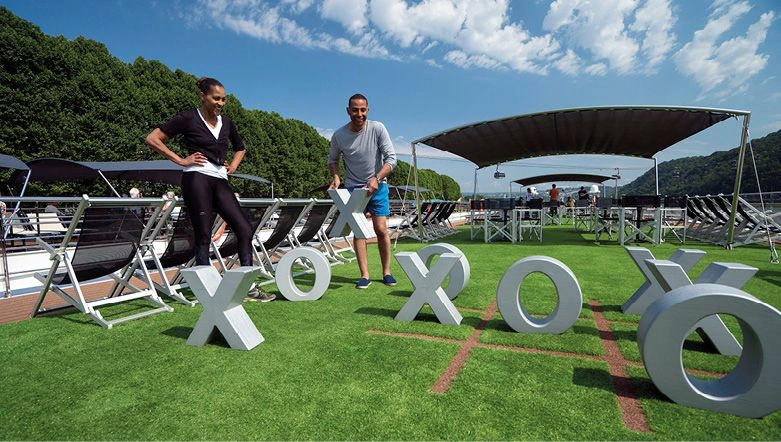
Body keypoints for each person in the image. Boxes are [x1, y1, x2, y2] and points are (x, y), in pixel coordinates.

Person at [146, 76, 274, 302]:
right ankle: (206, 292)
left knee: (244, 228)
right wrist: (180, 160)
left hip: (220, 178)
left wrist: (232, 166)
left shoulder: (227, 122)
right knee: (203, 235)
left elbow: (240, 148)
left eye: (224, 100)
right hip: (197, 178)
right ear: (203, 97)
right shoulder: (188, 117)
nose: (221, 103)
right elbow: (153, 138)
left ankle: (247, 288)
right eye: (216, 98)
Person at [328, 93, 397, 289]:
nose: (359, 114)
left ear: (368, 110)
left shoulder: (377, 128)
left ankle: (387, 272)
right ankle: (364, 275)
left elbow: (391, 159)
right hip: (352, 188)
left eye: (363, 110)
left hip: (378, 186)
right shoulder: (339, 135)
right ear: (348, 111)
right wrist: (336, 177)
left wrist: (376, 178)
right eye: (355, 110)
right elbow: (332, 159)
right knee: (359, 232)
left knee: (381, 229)